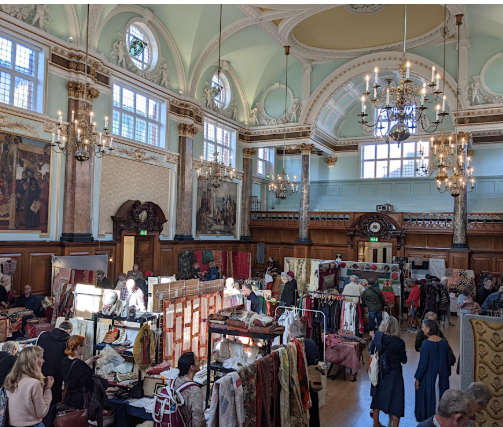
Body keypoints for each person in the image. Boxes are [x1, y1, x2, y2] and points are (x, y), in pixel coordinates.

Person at [369, 316, 407, 427]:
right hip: (394, 374)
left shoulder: (378, 337)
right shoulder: (399, 342)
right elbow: (403, 360)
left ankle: (376, 423)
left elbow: (371, 350)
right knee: (396, 401)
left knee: (377, 396)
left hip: (380, 371)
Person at [4, 345, 53, 427]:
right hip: (32, 424)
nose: (43, 361)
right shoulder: (34, 383)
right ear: (34, 361)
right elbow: (42, 412)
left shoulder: (10, 380)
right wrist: (48, 389)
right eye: (41, 358)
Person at [414, 319, 451, 422]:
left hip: (429, 377)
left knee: (430, 400)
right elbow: (448, 360)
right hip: (442, 376)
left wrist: (417, 378)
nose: (422, 329)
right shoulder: (444, 342)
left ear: (428, 329)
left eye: (423, 327)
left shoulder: (426, 344)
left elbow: (423, 364)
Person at [289, 320, 319, 427]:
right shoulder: (311, 343)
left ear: (291, 333)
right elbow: (317, 358)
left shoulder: (291, 346)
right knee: (314, 406)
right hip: (312, 379)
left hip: (299, 381)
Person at [61, 334, 102, 410]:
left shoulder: (65, 360)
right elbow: (89, 385)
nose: (85, 348)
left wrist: (91, 359)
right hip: (79, 401)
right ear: (79, 347)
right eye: (84, 345)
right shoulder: (80, 365)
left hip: (67, 397)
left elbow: (75, 368)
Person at [37, 320, 73, 406]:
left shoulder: (43, 335)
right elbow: (68, 360)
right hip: (57, 373)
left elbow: (36, 351)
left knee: (38, 394)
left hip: (40, 369)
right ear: (70, 330)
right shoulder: (68, 341)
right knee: (53, 398)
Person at [173, 352, 205, 427]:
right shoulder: (195, 390)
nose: (199, 362)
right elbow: (198, 422)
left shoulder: (174, 382)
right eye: (197, 361)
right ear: (192, 367)